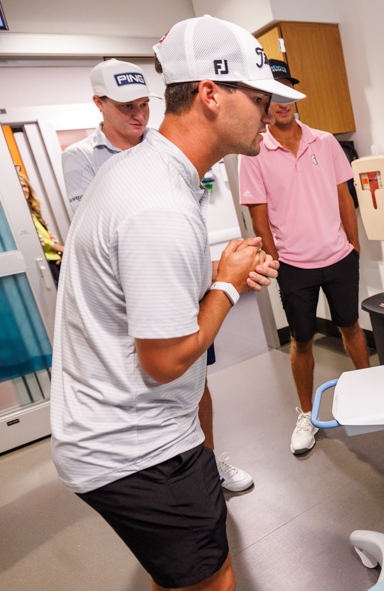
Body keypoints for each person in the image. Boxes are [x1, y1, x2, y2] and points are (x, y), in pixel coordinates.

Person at [50, 15, 305, 591]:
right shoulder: (159, 203)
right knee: (212, 582)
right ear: (211, 94)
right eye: (260, 97)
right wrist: (227, 286)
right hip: (137, 449)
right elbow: (163, 360)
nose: (269, 112)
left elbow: (135, 285)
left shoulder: (144, 172)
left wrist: (219, 268)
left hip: (121, 436)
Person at [62, 57, 253, 492]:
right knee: (173, 364)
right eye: (124, 106)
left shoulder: (167, 152)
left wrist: (222, 271)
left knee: (195, 378)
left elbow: (178, 242)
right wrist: (226, 283)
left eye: (142, 104)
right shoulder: (96, 165)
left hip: (178, 281)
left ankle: (205, 462)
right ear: (99, 104)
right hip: (136, 309)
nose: (137, 115)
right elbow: (126, 245)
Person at [239, 59, 370, 456]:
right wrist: (279, 265)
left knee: (351, 328)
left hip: (339, 258)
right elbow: (259, 218)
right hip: (295, 266)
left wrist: (353, 247)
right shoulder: (254, 152)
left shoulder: (325, 142)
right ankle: (307, 415)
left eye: (287, 93)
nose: (283, 103)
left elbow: (345, 199)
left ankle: (369, 396)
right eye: (273, 96)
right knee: (302, 340)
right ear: (263, 103)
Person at [61, 59, 158, 215]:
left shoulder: (163, 142)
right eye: (127, 105)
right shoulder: (80, 155)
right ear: (99, 102)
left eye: (144, 104)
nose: (140, 116)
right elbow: (89, 220)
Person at [18, 172, 64, 285]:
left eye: (24, 186)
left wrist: (61, 252)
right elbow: (43, 242)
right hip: (46, 262)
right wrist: (64, 250)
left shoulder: (32, 213)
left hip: (55, 260)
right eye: (19, 186)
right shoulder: (20, 215)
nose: (23, 189)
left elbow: (48, 236)